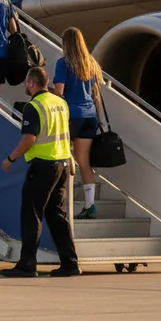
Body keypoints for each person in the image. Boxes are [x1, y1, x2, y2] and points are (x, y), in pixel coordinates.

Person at [1, 67, 80, 277]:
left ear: (32, 83)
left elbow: (30, 138)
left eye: (26, 82)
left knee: (32, 214)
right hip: (62, 163)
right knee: (56, 215)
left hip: (44, 166)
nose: (25, 86)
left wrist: (11, 158)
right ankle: (70, 263)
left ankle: (27, 264)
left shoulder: (34, 106)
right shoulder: (60, 103)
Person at [54, 27, 104, 219]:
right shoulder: (91, 64)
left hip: (71, 114)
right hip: (89, 115)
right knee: (84, 162)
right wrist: (99, 118)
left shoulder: (63, 63)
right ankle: (90, 205)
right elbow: (96, 95)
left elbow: (59, 93)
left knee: (62, 157)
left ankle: (62, 200)